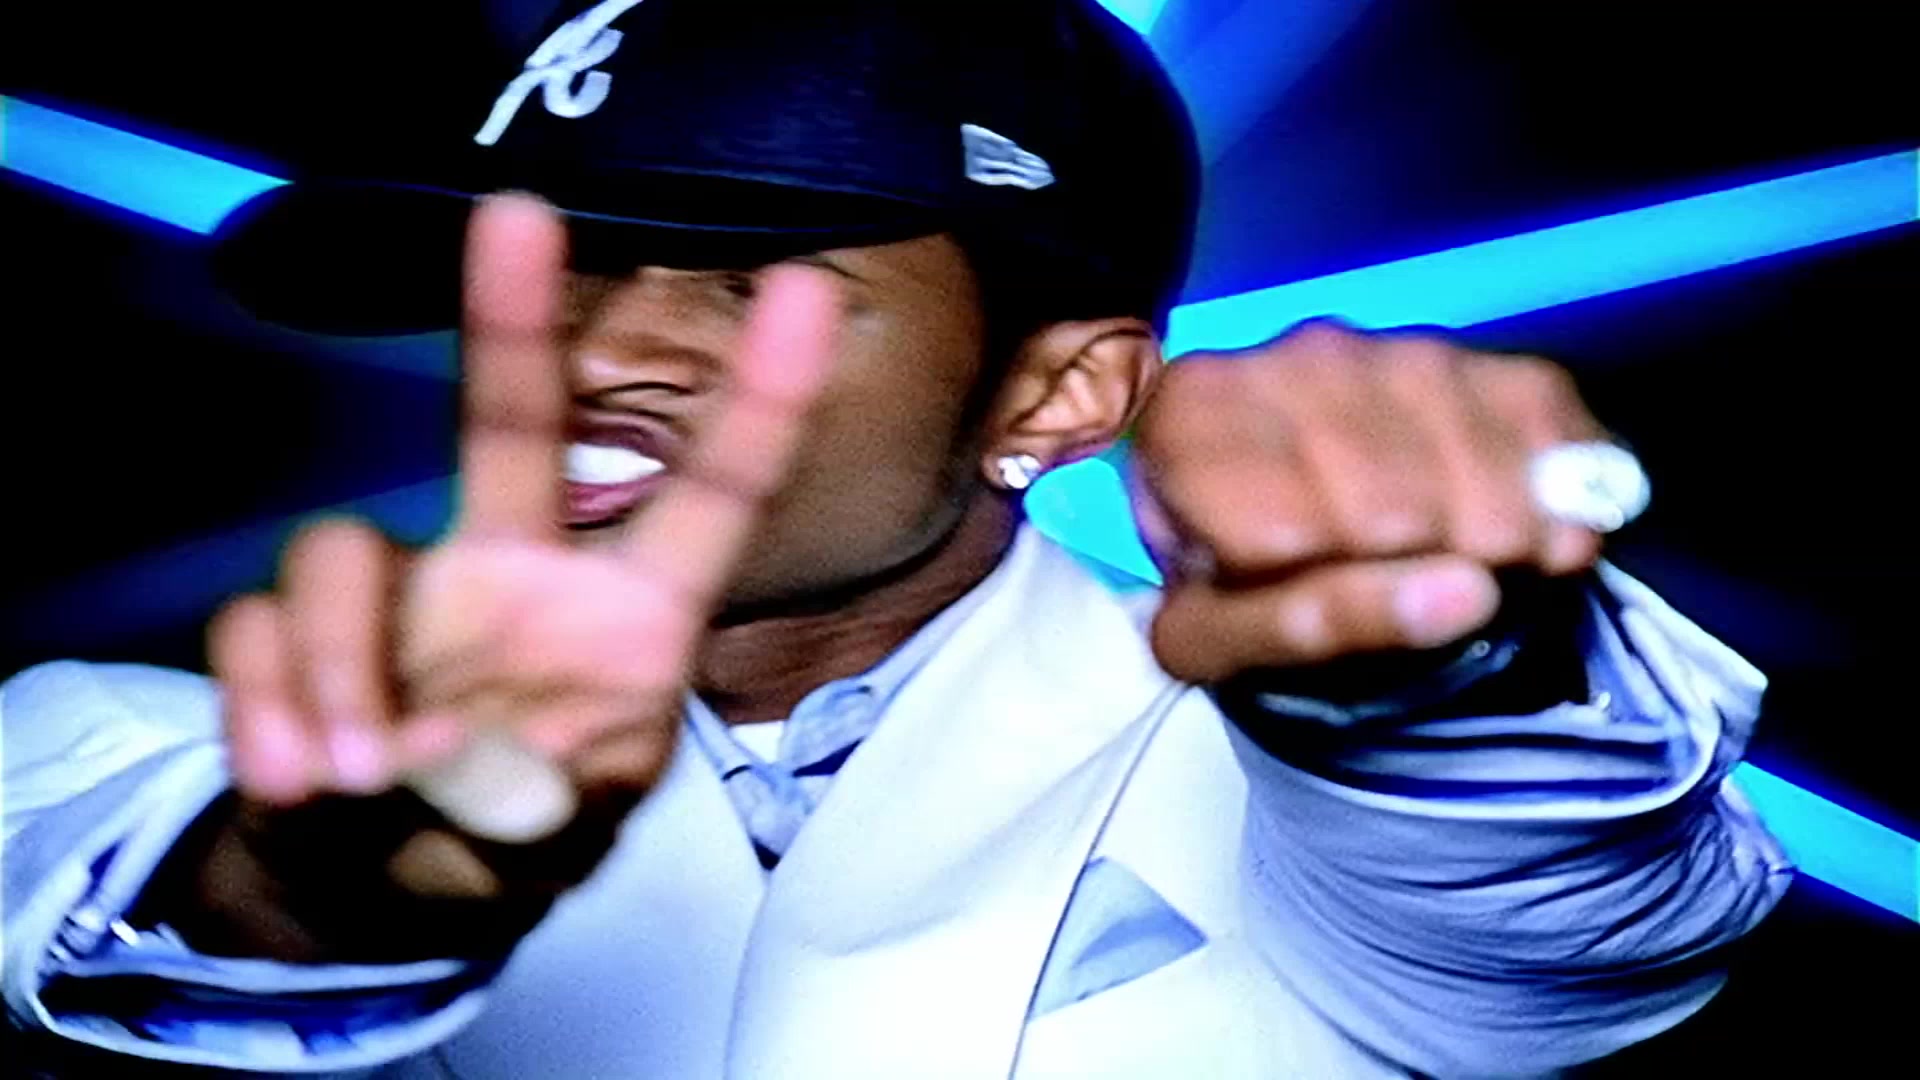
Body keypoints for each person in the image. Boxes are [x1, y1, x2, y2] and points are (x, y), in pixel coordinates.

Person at [1, 1, 1793, 1077]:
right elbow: (83, 880)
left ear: (1059, 395)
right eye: (543, 268)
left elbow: (1561, 903)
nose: (592, 353)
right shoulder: (132, 755)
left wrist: (1436, 670)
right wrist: (304, 895)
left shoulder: (1295, 786)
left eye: (753, 279)